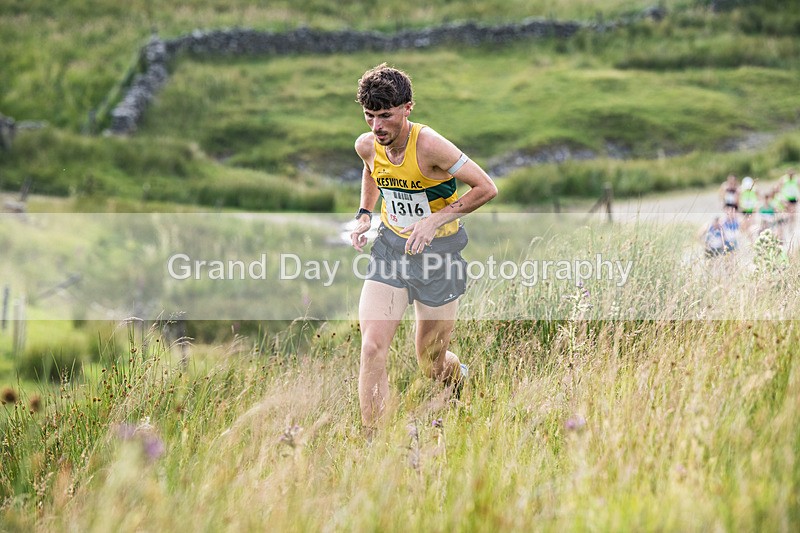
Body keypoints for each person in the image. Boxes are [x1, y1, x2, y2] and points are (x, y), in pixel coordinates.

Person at [350, 63, 497, 433]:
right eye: (370, 116)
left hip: (439, 256)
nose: (377, 127)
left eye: (386, 116)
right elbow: (371, 169)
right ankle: (375, 447)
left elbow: (485, 188)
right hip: (391, 253)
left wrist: (433, 221)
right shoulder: (368, 144)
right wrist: (366, 213)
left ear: (407, 108)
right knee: (371, 349)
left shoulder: (430, 145)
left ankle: (458, 378)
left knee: (431, 362)